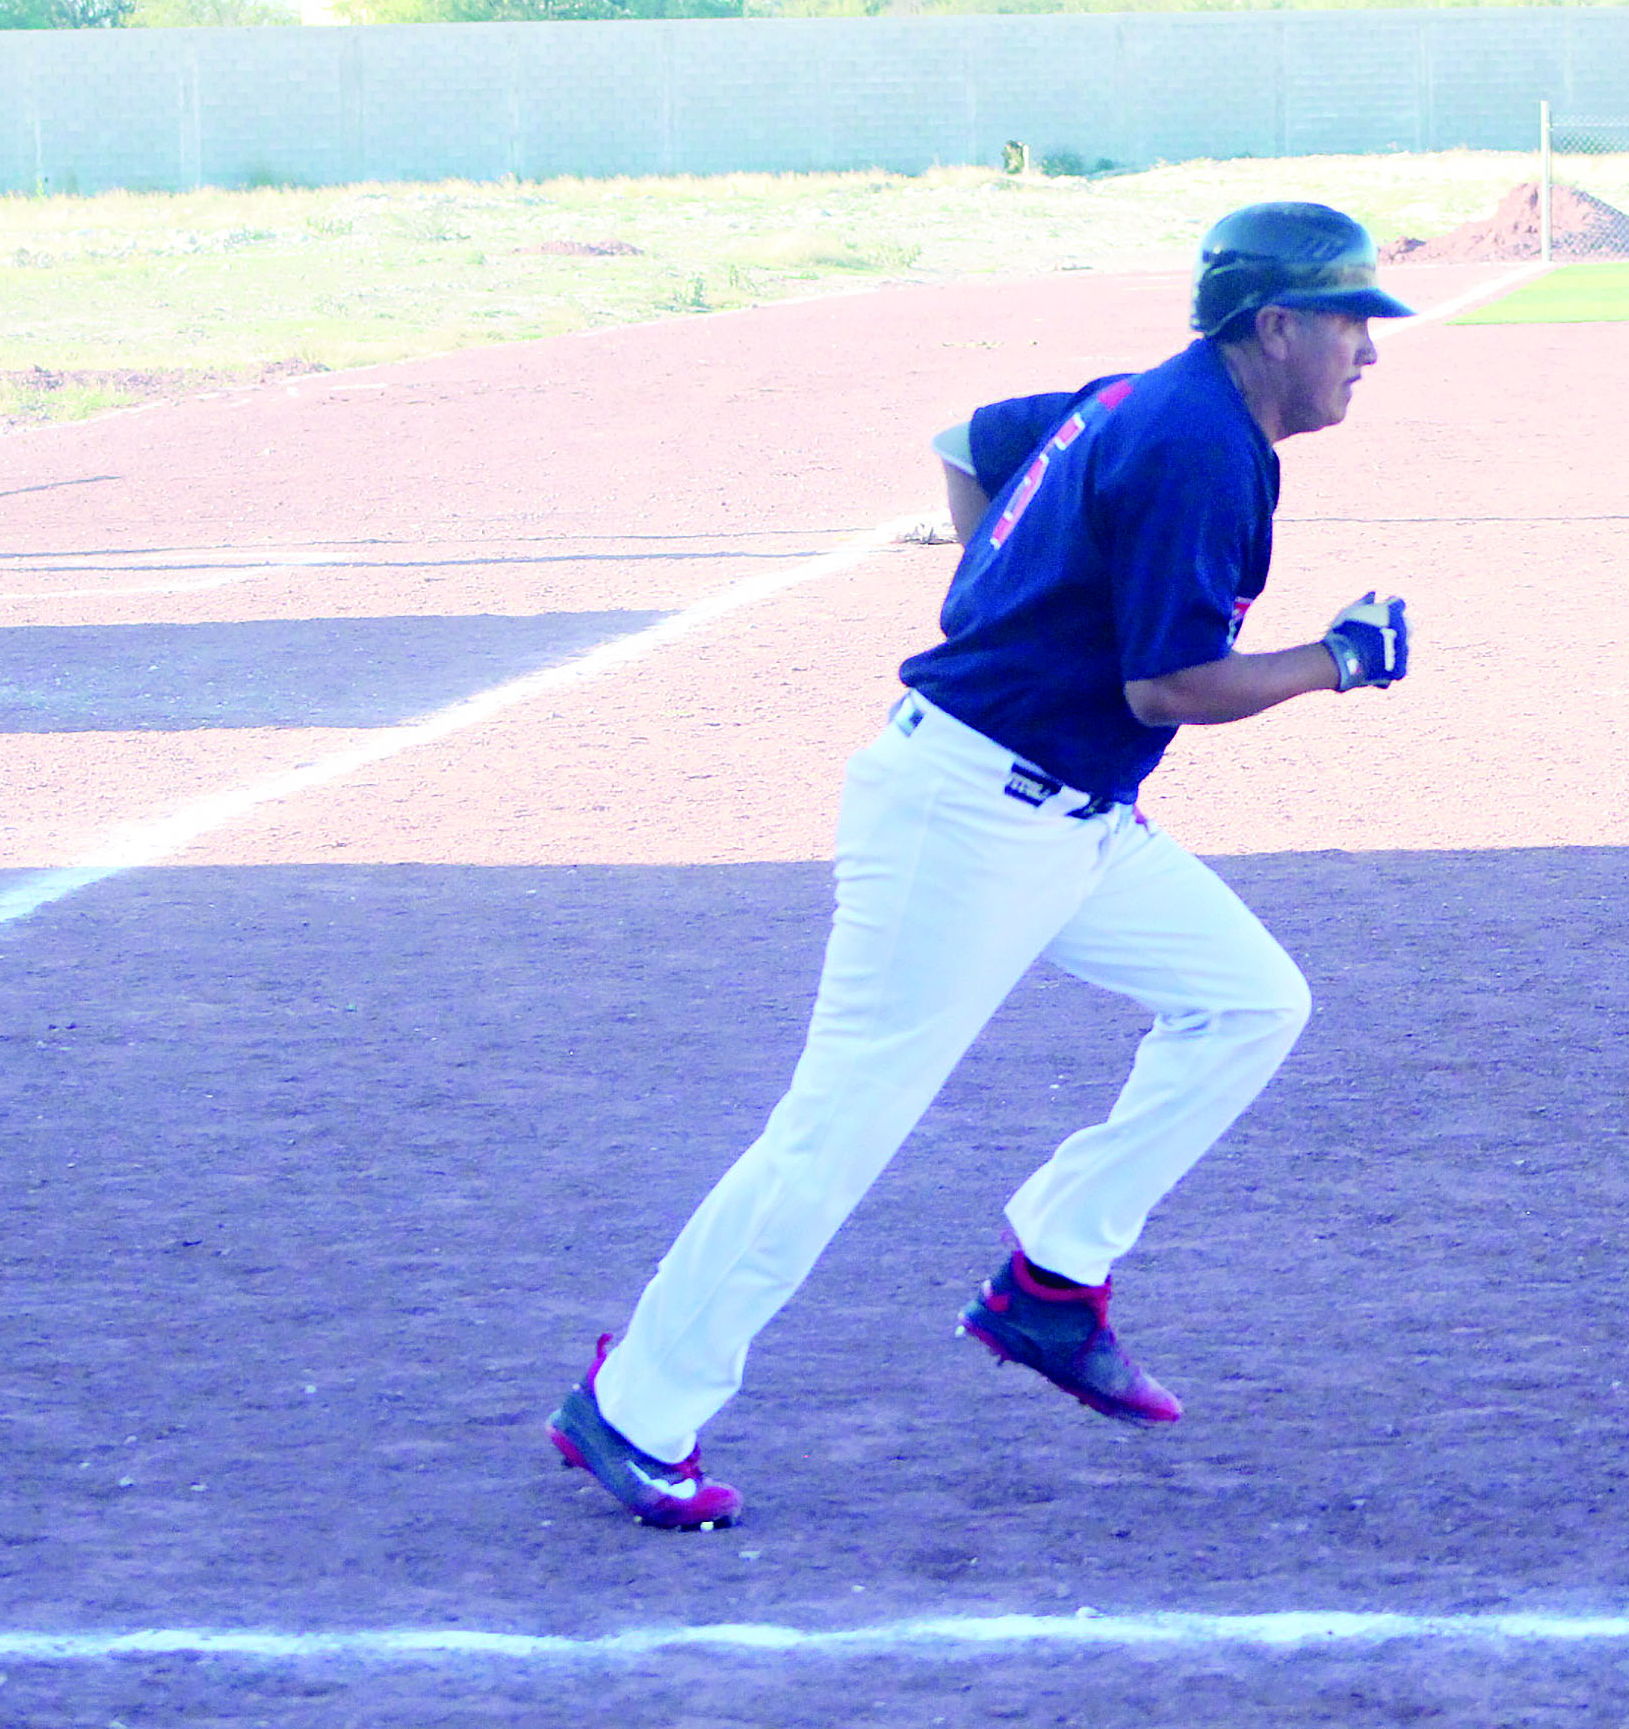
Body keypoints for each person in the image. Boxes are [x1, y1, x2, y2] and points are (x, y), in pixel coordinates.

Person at [544, 202, 1419, 1530]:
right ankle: (633, 1406)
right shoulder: (1200, 446)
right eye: (1350, 320)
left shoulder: (1153, 396)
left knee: (1249, 1000)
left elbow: (968, 443)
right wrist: (1334, 661)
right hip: (969, 820)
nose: (1368, 348)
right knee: (832, 1133)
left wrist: (1008, 592)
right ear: (1274, 324)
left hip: (1062, 818)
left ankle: (1051, 1281)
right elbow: (1166, 684)